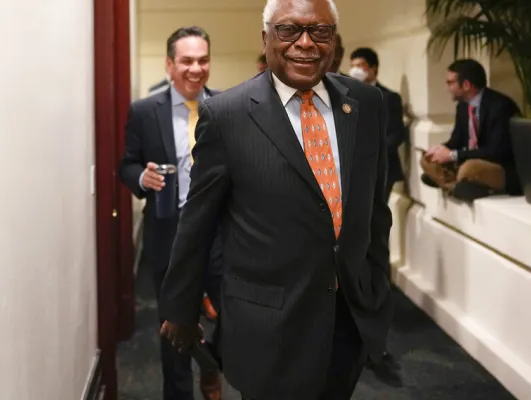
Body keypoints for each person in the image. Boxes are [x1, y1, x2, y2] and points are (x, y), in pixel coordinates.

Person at [158, 0, 394, 399]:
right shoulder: (227, 115)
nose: (305, 43)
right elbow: (198, 224)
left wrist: (376, 290)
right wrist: (180, 309)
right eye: (288, 31)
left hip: (349, 319)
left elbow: (374, 211)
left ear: (334, 40)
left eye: (320, 31)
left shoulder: (366, 104)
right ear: (266, 38)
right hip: (268, 327)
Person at [118, 26, 223, 400]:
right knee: (173, 333)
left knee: (239, 322)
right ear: (169, 65)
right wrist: (142, 177)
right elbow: (125, 165)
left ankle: (212, 365)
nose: (196, 69)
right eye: (187, 61)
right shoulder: (145, 111)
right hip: (169, 235)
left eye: (203, 60)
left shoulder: (229, 107)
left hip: (221, 236)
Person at [421, 58, 522, 201]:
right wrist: (440, 149)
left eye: (450, 83)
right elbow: (456, 140)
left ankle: (456, 184)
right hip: (469, 160)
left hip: (497, 166)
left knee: (469, 168)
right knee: (427, 160)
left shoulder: (500, 106)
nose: (447, 88)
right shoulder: (463, 107)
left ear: (466, 85)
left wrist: (453, 155)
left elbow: (497, 151)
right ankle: (457, 186)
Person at [349, 47, 406, 199]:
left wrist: (371, 153)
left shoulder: (388, 98)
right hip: (354, 169)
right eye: (352, 66)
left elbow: (397, 135)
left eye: (360, 65)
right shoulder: (348, 97)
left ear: (373, 69)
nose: (355, 70)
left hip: (381, 169)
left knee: (375, 216)